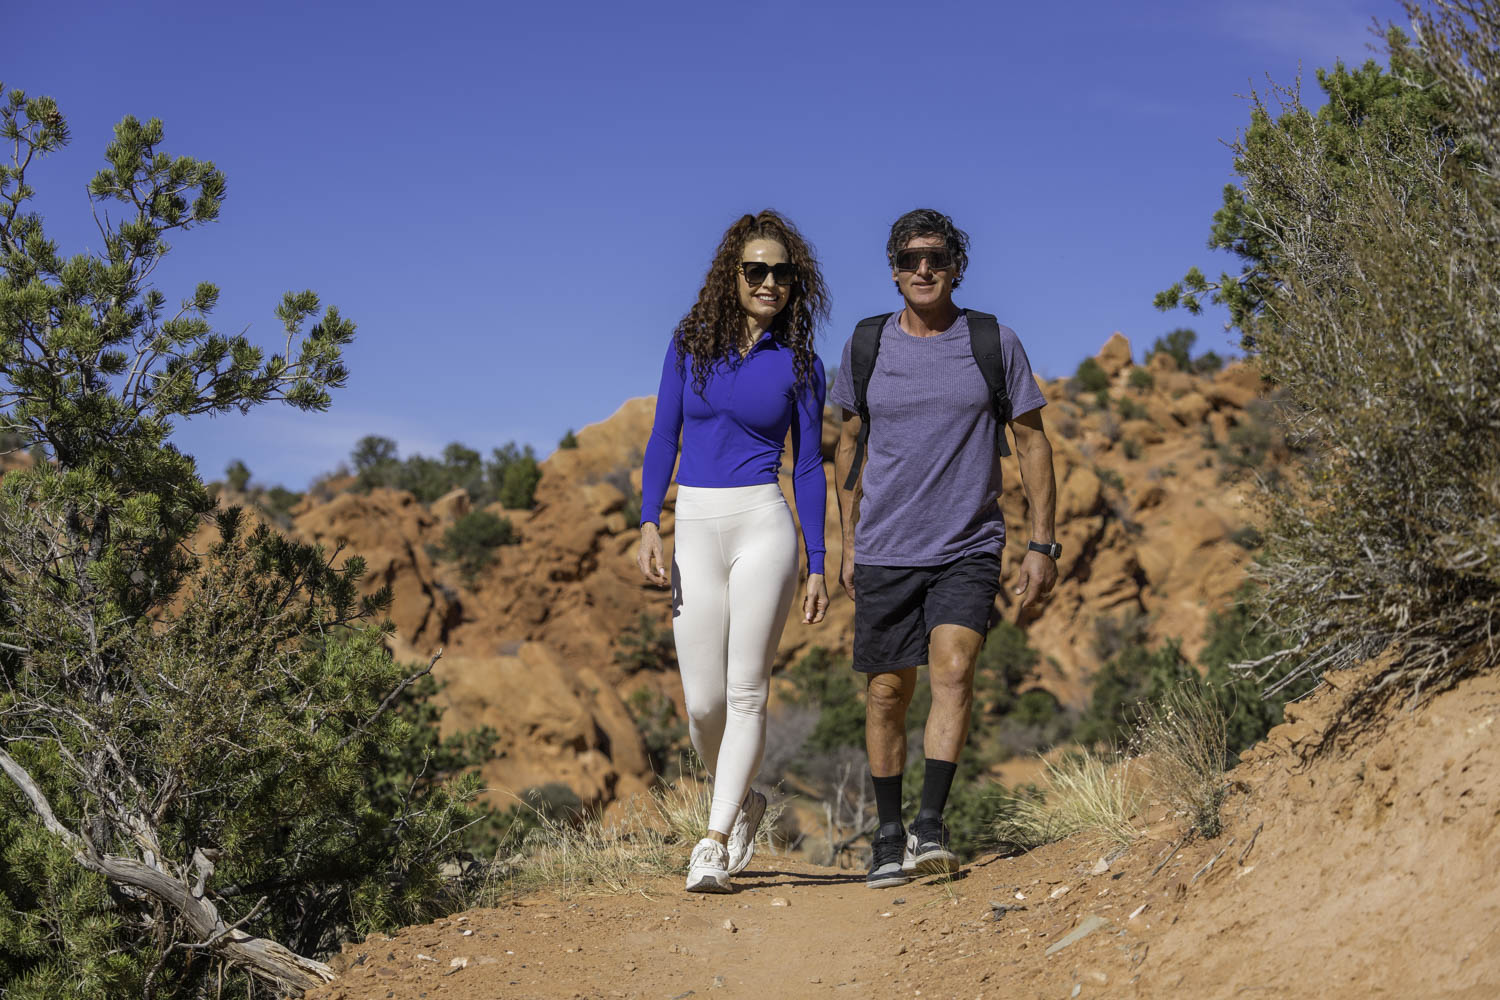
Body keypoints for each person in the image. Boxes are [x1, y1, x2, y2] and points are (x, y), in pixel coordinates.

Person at [829, 208, 1059, 889]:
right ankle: (888, 833)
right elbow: (848, 444)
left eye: (935, 257)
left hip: (969, 542)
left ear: (956, 265)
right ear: (893, 270)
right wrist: (847, 542)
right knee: (886, 692)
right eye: (909, 259)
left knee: (954, 669)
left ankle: (930, 827)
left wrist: (1041, 542)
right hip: (885, 547)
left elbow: (1033, 442)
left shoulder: (991, 341)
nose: (922, 270)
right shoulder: (867, 345)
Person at [637, 210, 832, 893]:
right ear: (732, 274)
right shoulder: (689, 343)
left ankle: (712, 842)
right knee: (701, 706)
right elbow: (663, 435)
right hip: (693, 520)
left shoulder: (800, 364)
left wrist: (818, 562)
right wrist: (648, 521)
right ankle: (743, 796)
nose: (769, 281)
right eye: (756, 270)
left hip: (762, 524)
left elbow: (809, 467)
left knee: (747, 692)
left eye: (782, 272)